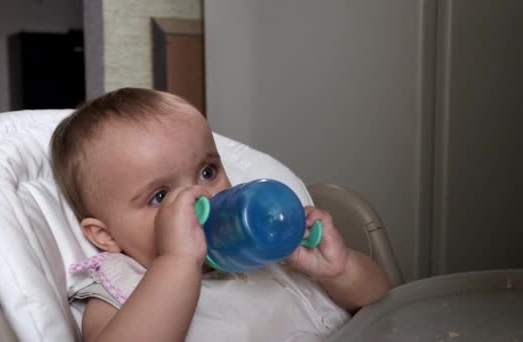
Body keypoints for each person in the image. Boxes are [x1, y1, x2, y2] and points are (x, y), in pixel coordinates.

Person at [51, 88, 389, 342]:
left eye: (208, 172)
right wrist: (177, 261)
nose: (201, 200)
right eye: (160, 196)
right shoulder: (122, 283)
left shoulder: (270, 247)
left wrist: (338, 270)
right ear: (105, 235)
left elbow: (379, 296)